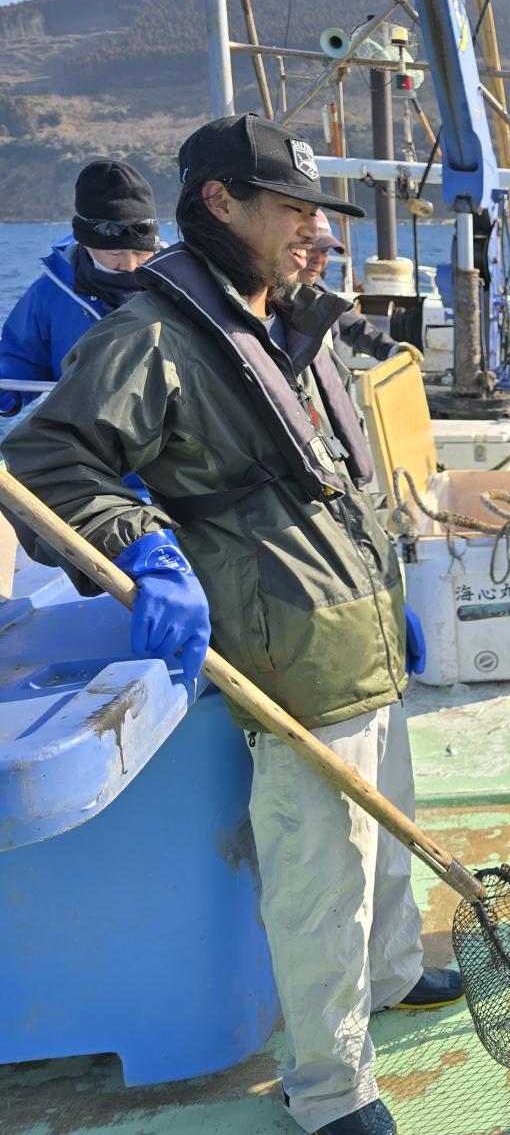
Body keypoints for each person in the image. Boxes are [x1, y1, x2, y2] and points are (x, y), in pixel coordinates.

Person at [2, 113, 451, 1135]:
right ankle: (332, 1087)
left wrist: (391, 602)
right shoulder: (152, 337)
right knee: (322, 875)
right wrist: (146, 550)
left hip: (365, 631)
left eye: (318, 214)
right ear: (220, 202)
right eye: (295, 210)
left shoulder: (289, 322)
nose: (319, 232)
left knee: (387, 833)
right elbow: (45, 460)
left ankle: (391, 973)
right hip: (292, 656)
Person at [0, 159, 161, 417]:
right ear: (86, 244)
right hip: (81, 425)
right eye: (115, 253)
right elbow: (22, 356)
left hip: (164, 424)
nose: (130, 264)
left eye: (140, 253)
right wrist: (6, 391)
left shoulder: (181, 282)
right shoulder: (51, 290)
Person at [295, 211, 420, 364]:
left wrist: (391, 349)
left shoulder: (319, 291)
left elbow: (354, 326)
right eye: (310, 248)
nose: (318, 259)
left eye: (325, 251)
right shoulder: (272, 300)